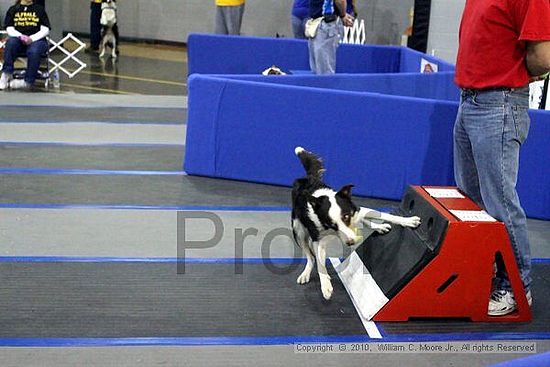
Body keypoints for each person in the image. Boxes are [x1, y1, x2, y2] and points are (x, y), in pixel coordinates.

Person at [454, 0, 550, 316]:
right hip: (470, 99)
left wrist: (515, 72)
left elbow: (542, 56)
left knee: (500, 203)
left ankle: (516, 287)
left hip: (498, 103)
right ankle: (488, 273)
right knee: (472, 199)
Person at [0, 0, 50, 90]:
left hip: (37, 40)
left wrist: (32, 38)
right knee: (10, 43)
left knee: (34, 51)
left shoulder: (39, 9)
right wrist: (20, 36)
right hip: (18, 39)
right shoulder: (13, 9)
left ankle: (28, 81)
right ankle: (6, 73)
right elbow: (9, 27)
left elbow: (45, 29)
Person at [308, 0, 354, 75]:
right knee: (321, 71)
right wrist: (343, 15)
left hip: (324, 23)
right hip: (319, 23)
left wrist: (343, 15)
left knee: (323, 72)